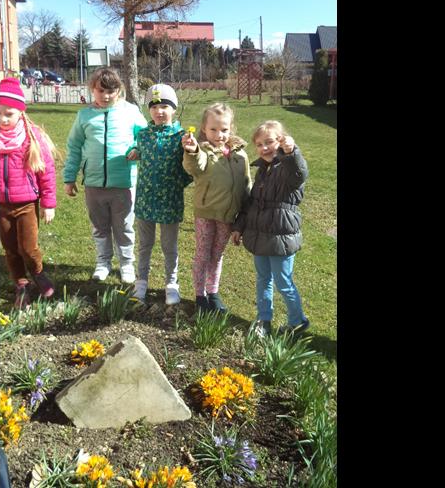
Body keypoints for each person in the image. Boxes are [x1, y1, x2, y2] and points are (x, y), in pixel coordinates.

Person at [63, 67, 148, 283]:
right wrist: (69, 178)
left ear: (119, 90)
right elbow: (74, 147)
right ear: (92, 89)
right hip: (94, 184)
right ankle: (103, 262)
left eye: (111, 91)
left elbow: (145, 136)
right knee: (99, 226)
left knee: (124, 226)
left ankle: (126, 263)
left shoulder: (130, 112)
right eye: (101, 90)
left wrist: (138, 149)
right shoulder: (84, 116)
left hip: (123, 183)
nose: (106, 96)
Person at [231, 120, 310, 336]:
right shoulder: (262, 171)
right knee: (263, 279)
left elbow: (299, 173)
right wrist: (239, 227)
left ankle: (297, 321)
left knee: (283, 282)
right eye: (259, 144)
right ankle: (263, 319)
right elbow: (252, 202)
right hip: (259, 235)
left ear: (281, 141)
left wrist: (291, 152)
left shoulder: (287, 168)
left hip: (280, 237)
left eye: (269, 142)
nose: (264, 148)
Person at [181, 103, 251, 311]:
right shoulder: (203, 150)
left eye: (224, 129)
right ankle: (199, 295)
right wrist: (192, 151)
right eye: (213, 129)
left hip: (228, 216)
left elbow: (246, 185)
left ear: (231, 128)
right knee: (203, 254)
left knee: (217, 255)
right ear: (204, 128)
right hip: (206, 213)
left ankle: (212, 292)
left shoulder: (240, 155)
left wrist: (244, 216)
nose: (219, 135)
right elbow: (195, 165)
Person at [128, 84, 193, 305]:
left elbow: (190, 169)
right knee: (144, 245)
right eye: (154, 107)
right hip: (145, 200)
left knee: (169, 246)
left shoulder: (181, 137)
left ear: (174, 109)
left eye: (165, 106)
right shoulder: (143, 135)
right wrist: (134, 151)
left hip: (170, 201)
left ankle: (171, 284)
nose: (159, 111)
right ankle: (141, 282)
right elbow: (138, 149)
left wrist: (180, 181)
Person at [0, 77, 58, 308]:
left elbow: (47, 172)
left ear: (20, 112)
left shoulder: (31, 137)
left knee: (28, 248)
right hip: (2, 206)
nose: (3, 119)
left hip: (26, 205)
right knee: (11, 249)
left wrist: (48, 203)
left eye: (9, 114)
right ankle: (21, 284)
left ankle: (38, 273)